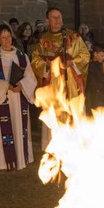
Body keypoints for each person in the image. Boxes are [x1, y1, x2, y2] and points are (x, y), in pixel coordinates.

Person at [31, 8, 90, 150]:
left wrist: (72, 61)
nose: (57, 20)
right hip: (53, 83)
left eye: (59, 16)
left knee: (73, 110)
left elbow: (85, 55)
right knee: (54, 111)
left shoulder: (73, 37)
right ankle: (54, 146)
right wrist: (48, 64)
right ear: (47, 20)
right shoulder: (42, 40)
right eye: (53, 17)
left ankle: (75, 146)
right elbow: (35, 61)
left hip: (71, 82)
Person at [0, 24, 37, 170]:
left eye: (8, 36)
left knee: (19, 127)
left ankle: (20, 158)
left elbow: (30, 77)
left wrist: (22, 85)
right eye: (3, 37)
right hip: (2, 97)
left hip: (18, 97)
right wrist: (7, 85)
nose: (7, 40)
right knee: (4, 130)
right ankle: (3, 161)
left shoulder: (21, 56)